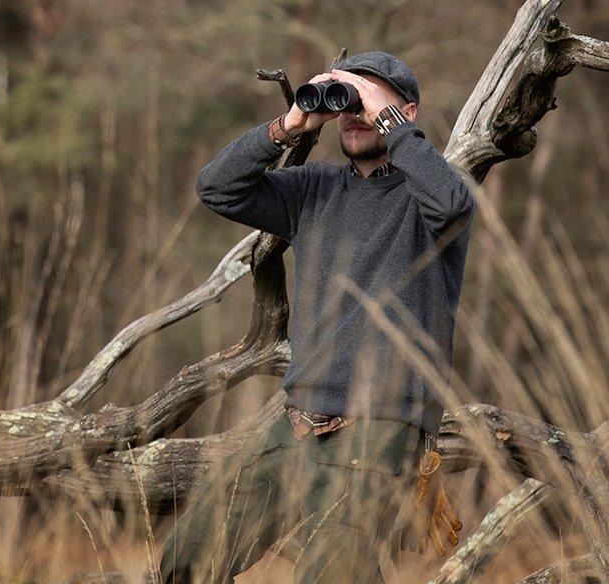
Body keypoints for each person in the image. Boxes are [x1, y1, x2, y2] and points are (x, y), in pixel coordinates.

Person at [158, 50, 474, 583]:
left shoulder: (432, 195)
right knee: (186, 562)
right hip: (295, 424)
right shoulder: (315, 189)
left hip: (380, 429)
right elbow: (218, 188)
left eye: (370, 99)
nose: (356, 113)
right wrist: (289, 126)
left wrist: (387, 121)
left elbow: (451, 204)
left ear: (408, 113)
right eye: (347, 101)